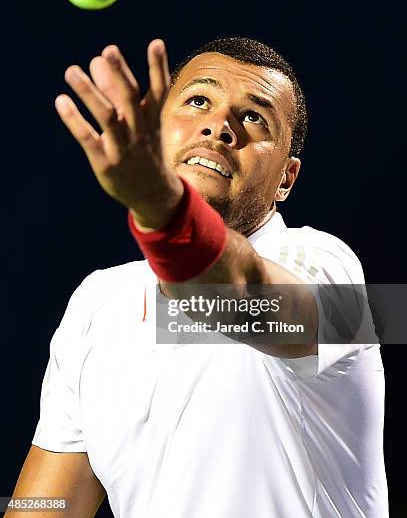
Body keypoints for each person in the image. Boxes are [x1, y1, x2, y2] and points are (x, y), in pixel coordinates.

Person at [7, 37, 388, 517]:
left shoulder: (328, 267)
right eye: (198, 101)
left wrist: (159, 204)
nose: (219, 126)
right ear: (158, 130)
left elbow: (242, 290)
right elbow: (48, 506)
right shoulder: (97, 302)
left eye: (254, 117)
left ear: (286, 178)